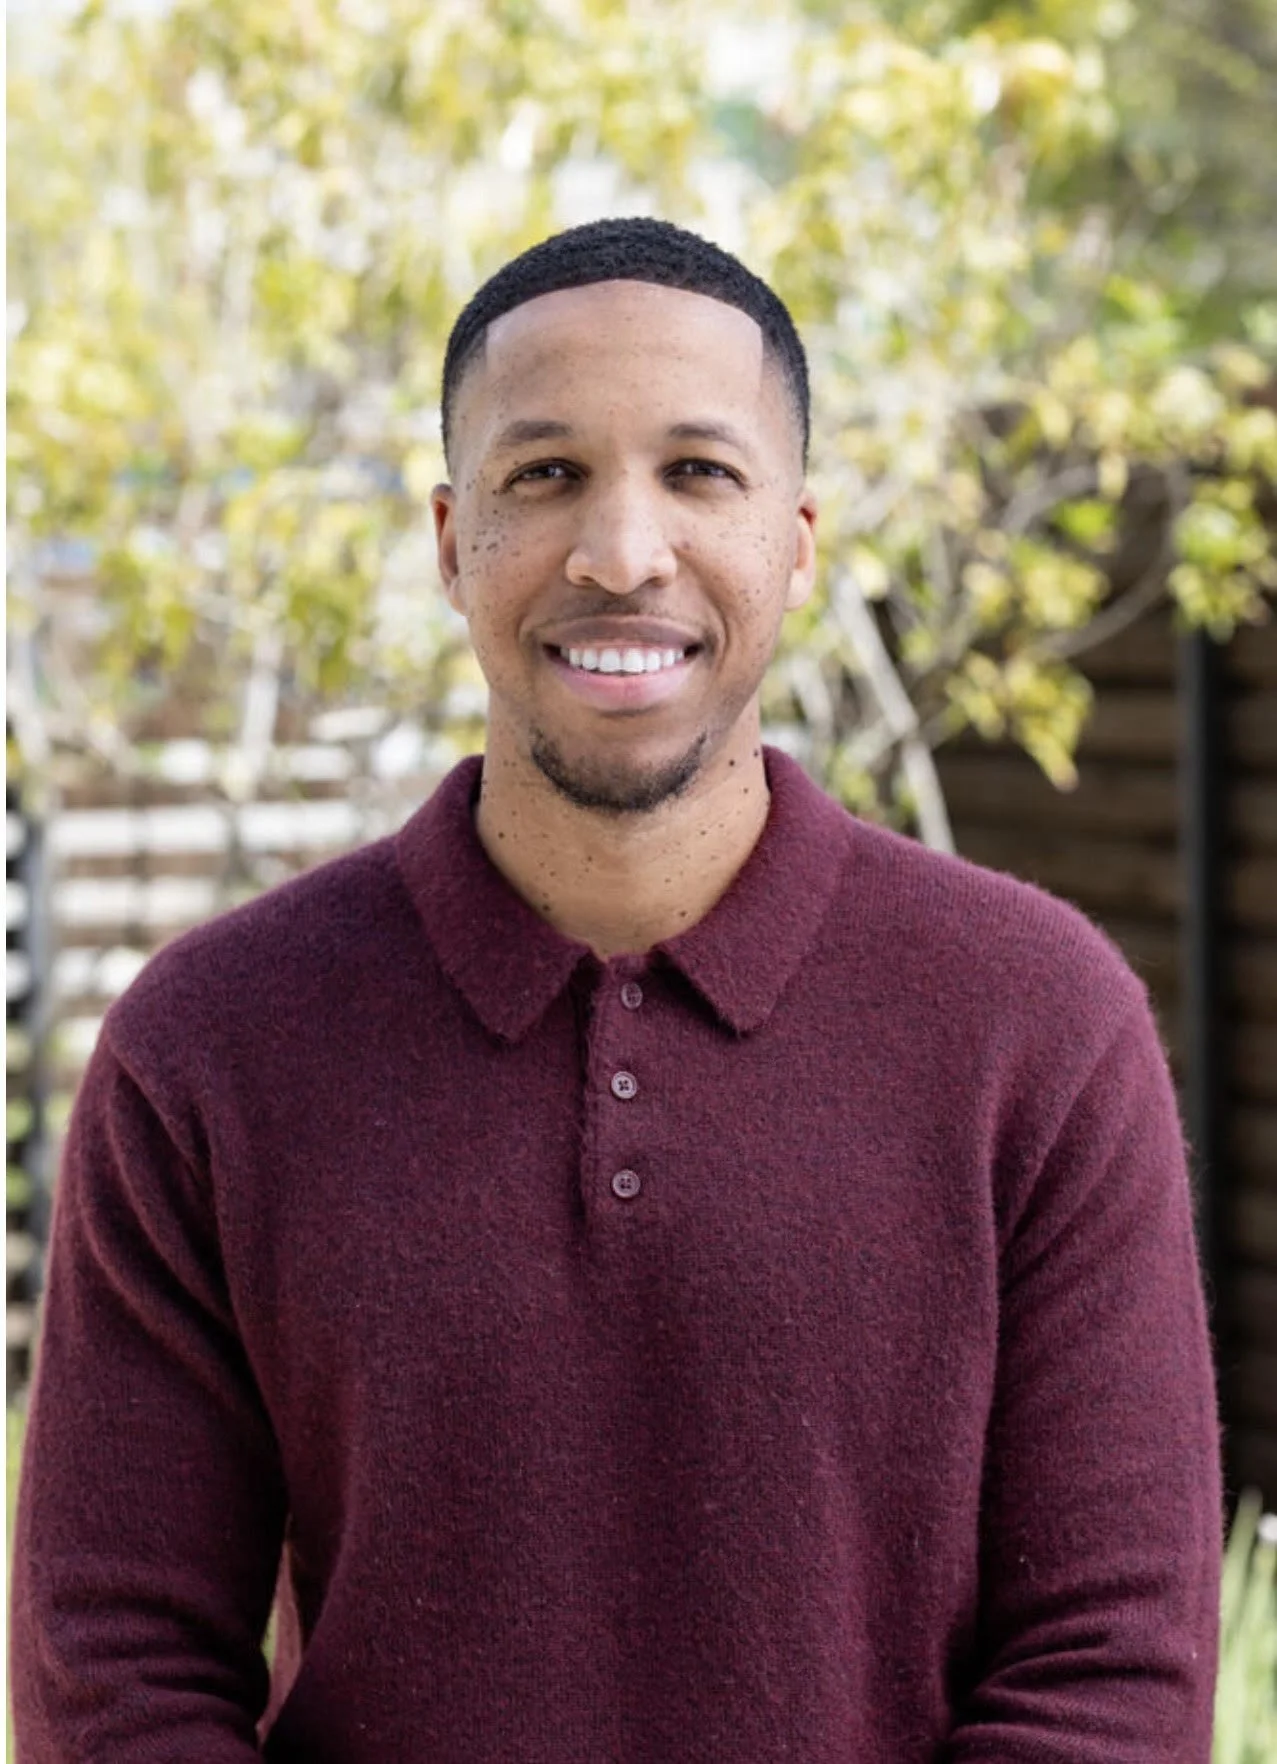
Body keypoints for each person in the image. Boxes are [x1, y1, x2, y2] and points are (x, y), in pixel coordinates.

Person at [11, 217, 1223, 1761]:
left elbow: (1113, 1673)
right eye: (546, 476)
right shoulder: (208, 1049)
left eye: (699, 474)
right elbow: (110, 1666)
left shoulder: (1041, 1028)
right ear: (452, 541)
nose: (620, 551)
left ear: (797, 538)